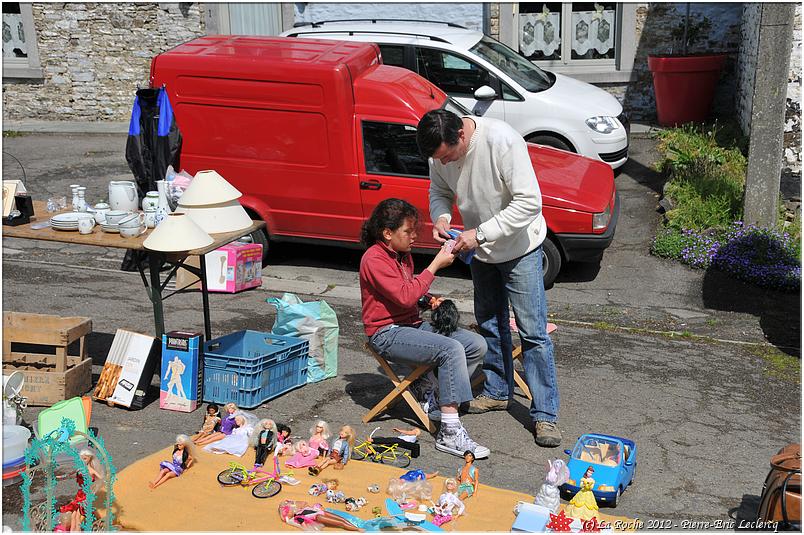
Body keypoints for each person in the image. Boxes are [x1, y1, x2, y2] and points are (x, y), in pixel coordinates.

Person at [416, 108, 561, 448]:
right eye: (439, 159)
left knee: (533, 332)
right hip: (479, 248)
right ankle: (498, 390)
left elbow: (529, 203)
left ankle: (545, 416)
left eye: (448, 156)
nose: (445, 164)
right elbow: (438, 191)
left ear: (461, 136)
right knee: (489, 323)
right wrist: (440, 218)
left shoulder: (502, 140)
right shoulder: (439, 152)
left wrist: (479, 234)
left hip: (520, 247)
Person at [358, 198, 490, 459]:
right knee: (451, 349)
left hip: (411, 325)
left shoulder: (401, 256)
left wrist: (427, 299)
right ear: (387, 233)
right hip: (386, 333)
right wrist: (434, 266)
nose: (414, 236)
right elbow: (404, 296)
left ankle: (431, 393)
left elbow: (408, 293)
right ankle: (449, 433)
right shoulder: (374, 259)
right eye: (408, 231)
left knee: (476, 344)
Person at [60, 449, 105, 531]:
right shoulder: (79, 469)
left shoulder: (91, 470)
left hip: (86, 495)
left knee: (78, 517)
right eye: (82, 459)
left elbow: (101, 478)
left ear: (90, 459)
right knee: (74, 515)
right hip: (80, 494)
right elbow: (69, 474)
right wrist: (60, 477)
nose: (83, 461)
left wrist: (95, 484)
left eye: (85, 459)